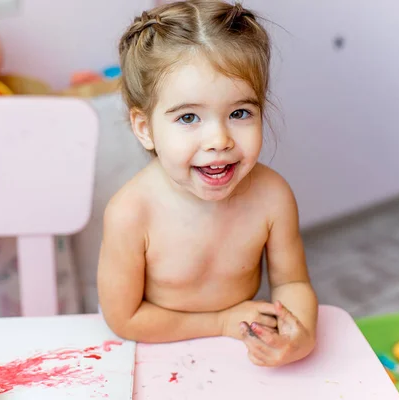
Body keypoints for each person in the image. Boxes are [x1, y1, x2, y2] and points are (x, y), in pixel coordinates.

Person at [97, 0, 318, 367]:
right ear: (145, 128)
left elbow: (292, 284)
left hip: (239, 355)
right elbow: (125, 319)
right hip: (157, 355)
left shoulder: (272, 196)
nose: (219, 139)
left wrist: (303, 337)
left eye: (239, 113)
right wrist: (219, 323)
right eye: (188, 117)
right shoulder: (131, 213)